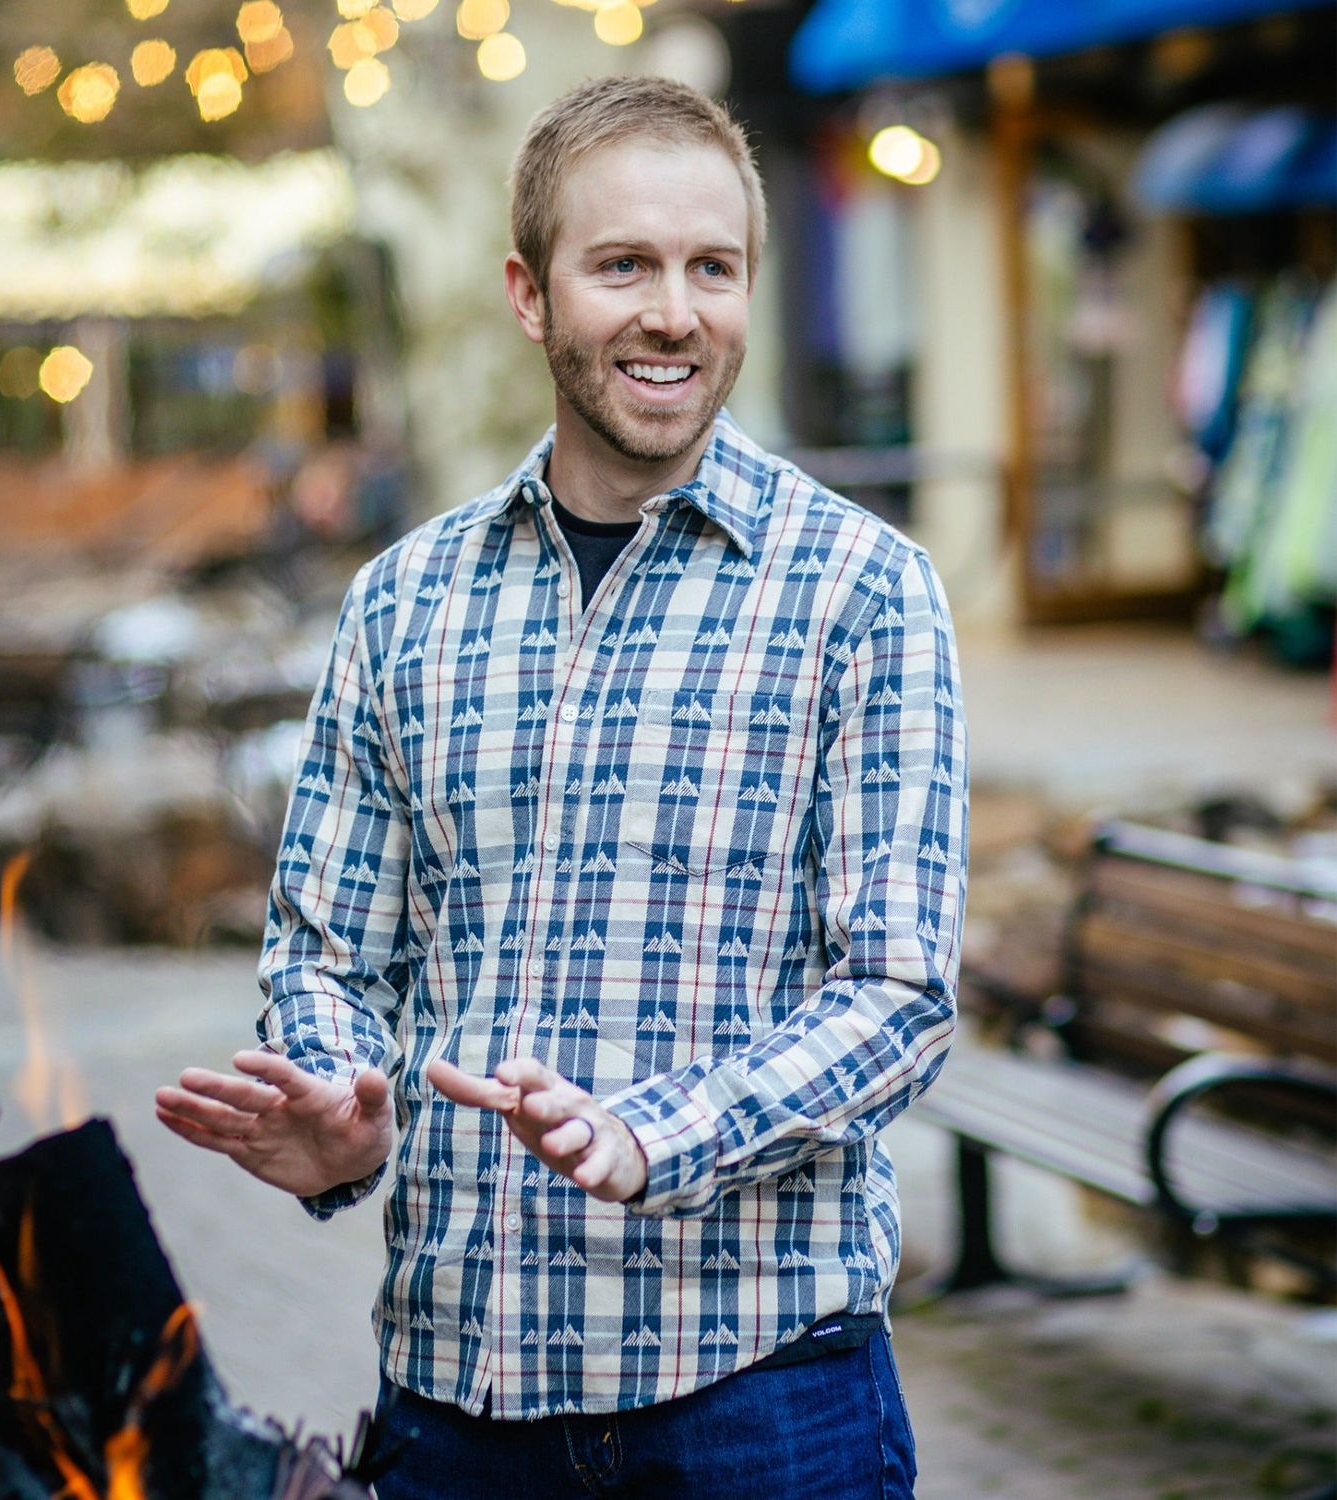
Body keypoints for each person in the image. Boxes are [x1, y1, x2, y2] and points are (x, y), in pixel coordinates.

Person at [156, 74, 966, 1500]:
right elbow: (333, 947)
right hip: (455, 1397)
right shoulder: (403, 602)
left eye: (713, 268)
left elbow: (898, 994)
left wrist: (664, 1135)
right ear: (531, 297)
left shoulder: (866, 592)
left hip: (758, 1403)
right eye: (624, 265)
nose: (674, 311)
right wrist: (340, 1093)